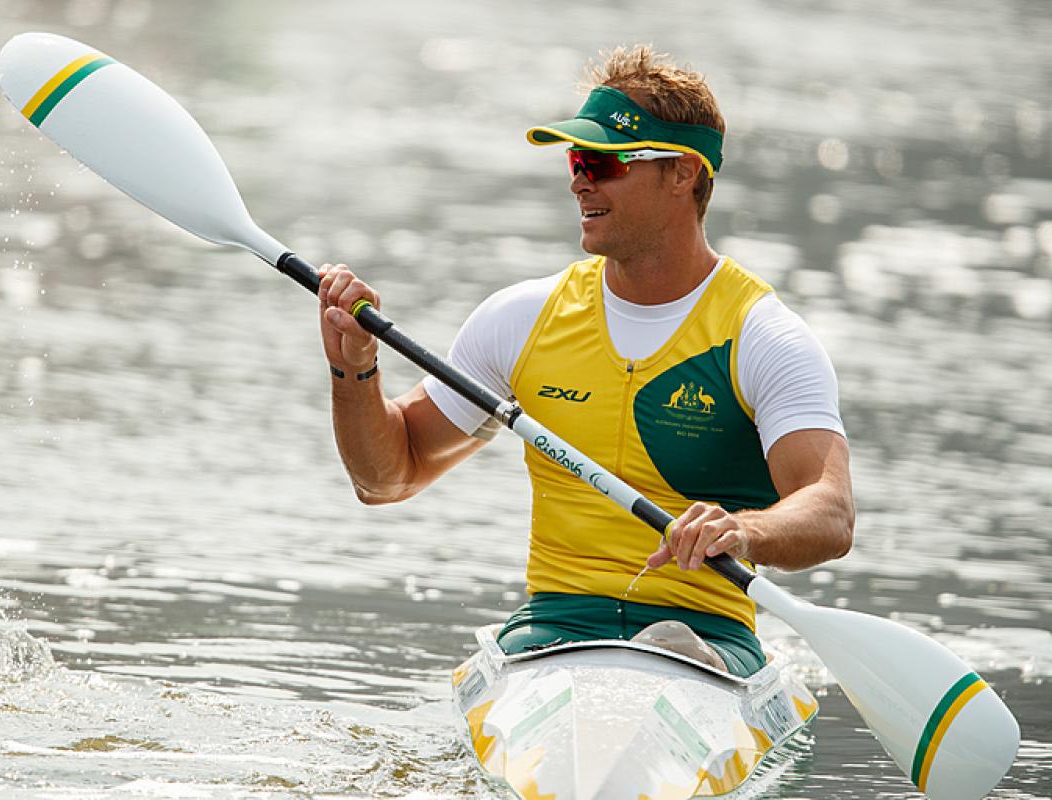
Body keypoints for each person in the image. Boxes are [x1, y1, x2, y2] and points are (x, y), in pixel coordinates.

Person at [316, 46, 854, 677]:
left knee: (674, 645)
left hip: (706, 644)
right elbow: (387, 476)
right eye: (576, 160)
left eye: (602, 161)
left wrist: (744, 531)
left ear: (683, 172)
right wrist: (355, 370)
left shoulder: (763, 338)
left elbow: (830, 509)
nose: (579, 180)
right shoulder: (520, 319)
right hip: (550, 633)